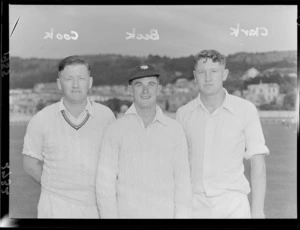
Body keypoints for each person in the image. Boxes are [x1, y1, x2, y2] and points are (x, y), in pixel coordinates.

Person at [176, 50, 269, 219]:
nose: (208, 78)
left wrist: (257, 212)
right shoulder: (183, 114)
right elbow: (178, 166)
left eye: (214, 71)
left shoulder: (246, 109)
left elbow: (258, 164)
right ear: (194, 76)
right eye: (202, 72)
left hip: (234, 206)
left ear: (224, 74)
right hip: (194, 206)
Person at [22, 55, 116, 218]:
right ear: (59, 83)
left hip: (96, 207)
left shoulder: (106, 116)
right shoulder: (42, 118)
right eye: (68, 79)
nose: (75, 85)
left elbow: (115, 160)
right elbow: (30, 163)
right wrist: (56, 186)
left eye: (81, 78)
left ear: (90, 82)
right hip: (54, 206)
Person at [96, 64, 192, 218]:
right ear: (130, 90)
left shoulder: (174, 130)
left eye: (151, 84)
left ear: (159, 89)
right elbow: (104, 185)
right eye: (139, 85)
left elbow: (183, 185)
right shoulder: (115, 129)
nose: (145, 90)